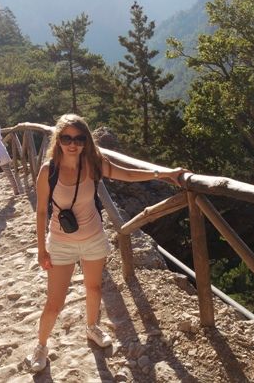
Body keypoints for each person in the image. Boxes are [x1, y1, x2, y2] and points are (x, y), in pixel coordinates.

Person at [28, 113, 188, 372]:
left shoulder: (93, 163)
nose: (73, 144)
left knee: (94, 289)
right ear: (58, 139)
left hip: (93, 238)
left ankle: (92, 327)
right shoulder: (49, 170)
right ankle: (41, 346)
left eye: (79, 138)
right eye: (67, 138)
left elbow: (127, 174)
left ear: (86, 141)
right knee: (54, 303)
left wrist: (164, 173)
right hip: (60, 243)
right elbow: (41, 212)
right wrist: (41, 249)